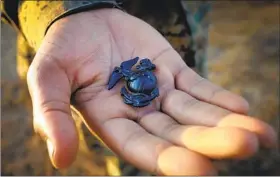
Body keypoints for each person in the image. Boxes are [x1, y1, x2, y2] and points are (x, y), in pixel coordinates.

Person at [1, 0, 277, 176]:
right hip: (73, 35)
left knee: (187, 82)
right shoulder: (127, 77)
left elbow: (146, 73)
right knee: (107, 143)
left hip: (181, 20)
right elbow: (130, 78)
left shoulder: (144, 72)